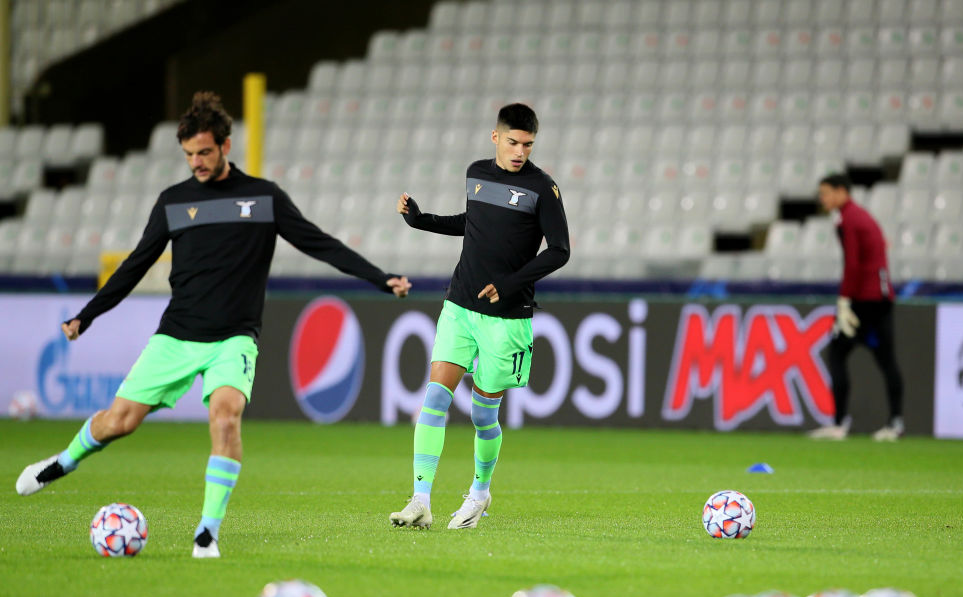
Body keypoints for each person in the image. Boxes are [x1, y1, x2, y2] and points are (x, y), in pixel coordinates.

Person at [15, 91, 411, 557]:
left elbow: (319, 243)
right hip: (176, 335)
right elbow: (135, 265)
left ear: (225, 145)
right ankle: (63, 462)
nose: (196, 163)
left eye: (204, 152)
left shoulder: (264, 198)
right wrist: (88, 314)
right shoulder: (173, 202)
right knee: (118, 423)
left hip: (234, 338)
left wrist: (380, 278)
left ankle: (207, 533)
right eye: (188, 155)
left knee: (225, 418)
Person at [389, 103, 570, 530]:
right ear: (495, 137)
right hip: (460, 306)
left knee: (483, 414)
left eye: (528, 145)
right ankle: (420, 499)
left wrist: (510, 283)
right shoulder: (476, 173)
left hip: (506, 317)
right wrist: (422, 221)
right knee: (435, 398)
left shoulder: (542, 188)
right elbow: (473, 223)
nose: (520, 151)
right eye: (513, 142)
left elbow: (560, 250)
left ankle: (479, 493)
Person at [809, 173, 904, 442]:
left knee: (840, 355)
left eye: (826, 193)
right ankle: (894, 422)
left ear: (841, 191)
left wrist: (844, 301)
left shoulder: (848, 219)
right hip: (878, 298)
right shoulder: (860, 216)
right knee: (883, 360)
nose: (822, 199)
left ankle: (840, 424)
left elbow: (853, 264)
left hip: (865, 301)